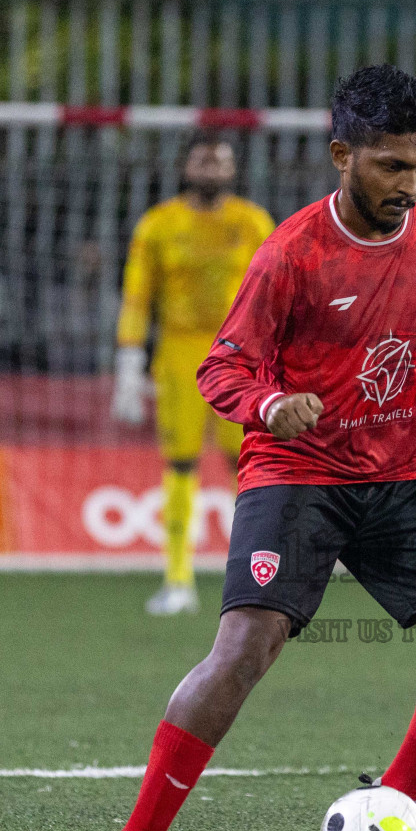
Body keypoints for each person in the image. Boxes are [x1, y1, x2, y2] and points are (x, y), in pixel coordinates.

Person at [93, 65, 416, 831]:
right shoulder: (289, 253)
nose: (411, 184)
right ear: (343, 154)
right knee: (245, 647)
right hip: (296, 474)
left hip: (394, 477)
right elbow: (222, 368)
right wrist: (267, 403)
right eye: (392, 166)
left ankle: (404, 797)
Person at [112, 132, 275, 615]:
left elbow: (278, 291)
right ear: (187, 168)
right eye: (202, 160)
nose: (211, 168)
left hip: (240, 355)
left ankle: (254, 576)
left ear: (232, 169)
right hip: (179, 354)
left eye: (220, 160)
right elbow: (137, 296)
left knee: (247, 465)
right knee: (180, 463)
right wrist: (127, 361)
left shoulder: (252, 222)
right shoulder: (159, 225)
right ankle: (178, 579)